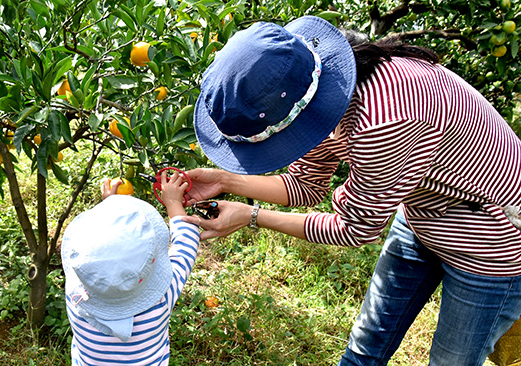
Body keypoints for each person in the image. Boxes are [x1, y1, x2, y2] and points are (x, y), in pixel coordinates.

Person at [183, 15, 521, 366]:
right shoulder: (314, 90)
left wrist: (251, 216)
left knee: (450, 361)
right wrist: (225, 180)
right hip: (425, 214)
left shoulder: (382, 122)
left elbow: (354, 228)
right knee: (365, 346)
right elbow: (305, 185)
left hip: (493, 238)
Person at [61, 172, 200, 365]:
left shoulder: (75, 296)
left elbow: (101, 253)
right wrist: (173, 203)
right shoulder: (162, 299)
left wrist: (109, 205)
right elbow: (186, 243)